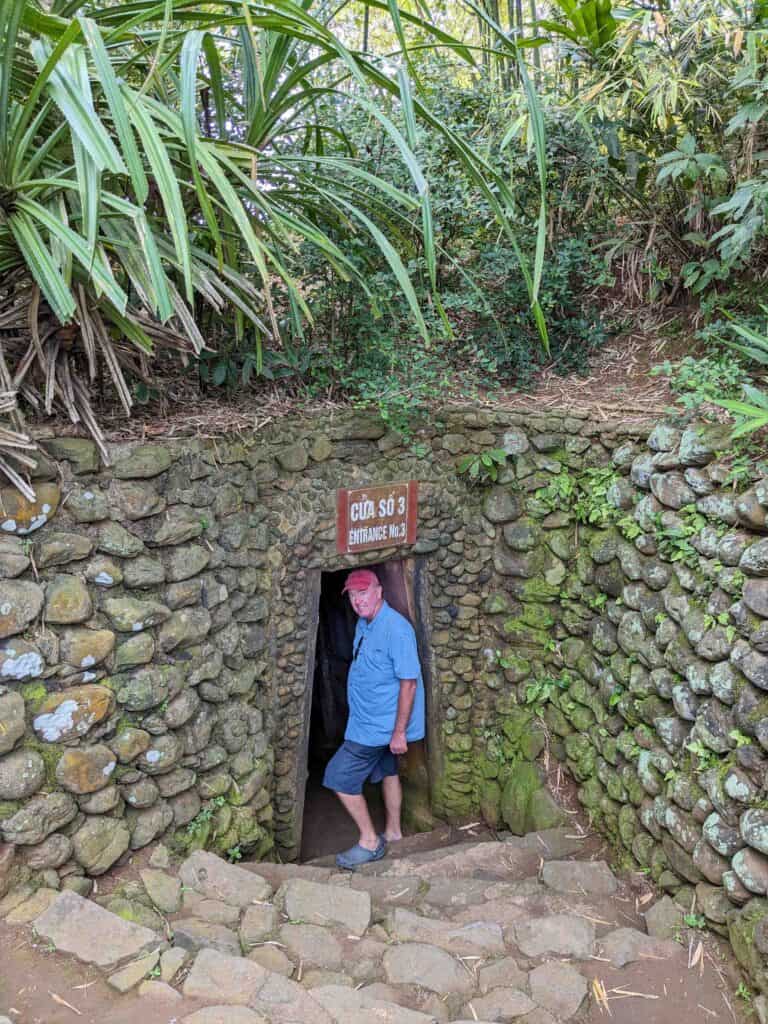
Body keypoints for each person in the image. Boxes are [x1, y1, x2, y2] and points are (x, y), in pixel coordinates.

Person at [323, 568, 425, 869]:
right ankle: (393, 832)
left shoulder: (397, 629)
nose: (358, 600)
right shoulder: (365, 624)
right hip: (369, 719)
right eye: (353, 595)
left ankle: (370, 841)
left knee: (338, 777)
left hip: (377, 728)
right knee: (387, 771)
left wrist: (398, 733)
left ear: (379, 591)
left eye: (363, 592)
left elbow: (409, 682)